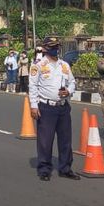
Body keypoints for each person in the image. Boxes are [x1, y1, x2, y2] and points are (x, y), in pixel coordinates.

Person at [28, 37, 79, 182]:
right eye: (52, 46)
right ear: (44, 48)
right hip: (46, 107)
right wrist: (33, 106)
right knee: (45, 140)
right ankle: (44, 169)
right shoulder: (38, 65)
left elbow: (72, 82)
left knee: (65, 140)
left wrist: (68, 91)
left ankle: (65, 168)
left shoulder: (64, 65)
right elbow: (33, 86)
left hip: (63, 107)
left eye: (57, 46)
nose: (55, 48)